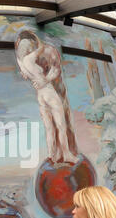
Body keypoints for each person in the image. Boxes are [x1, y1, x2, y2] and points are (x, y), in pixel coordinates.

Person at [15, 30, 79, 164]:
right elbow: (44, 54)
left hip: (40, 96)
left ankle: (52, 155)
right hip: (49, 92)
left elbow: (26, 75)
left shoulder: (21, 62)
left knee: (49, 127)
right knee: (61, 126)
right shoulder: (31, 57)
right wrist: (39, 42)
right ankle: (66, 154)